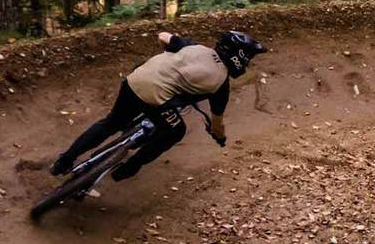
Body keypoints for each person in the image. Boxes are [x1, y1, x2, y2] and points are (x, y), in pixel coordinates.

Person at [50, 29, 267, 181]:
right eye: (248, 58)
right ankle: (130, 167)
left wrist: (168, 55)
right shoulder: (221, 85)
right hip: (157, 98)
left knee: (111, 123)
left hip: (136, 79)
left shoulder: (194, 47)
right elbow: (217, 123)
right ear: (240, 57)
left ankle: (64, 161)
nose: (248, 62)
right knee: (175, 131)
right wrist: (219, 137)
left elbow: (163, 35)